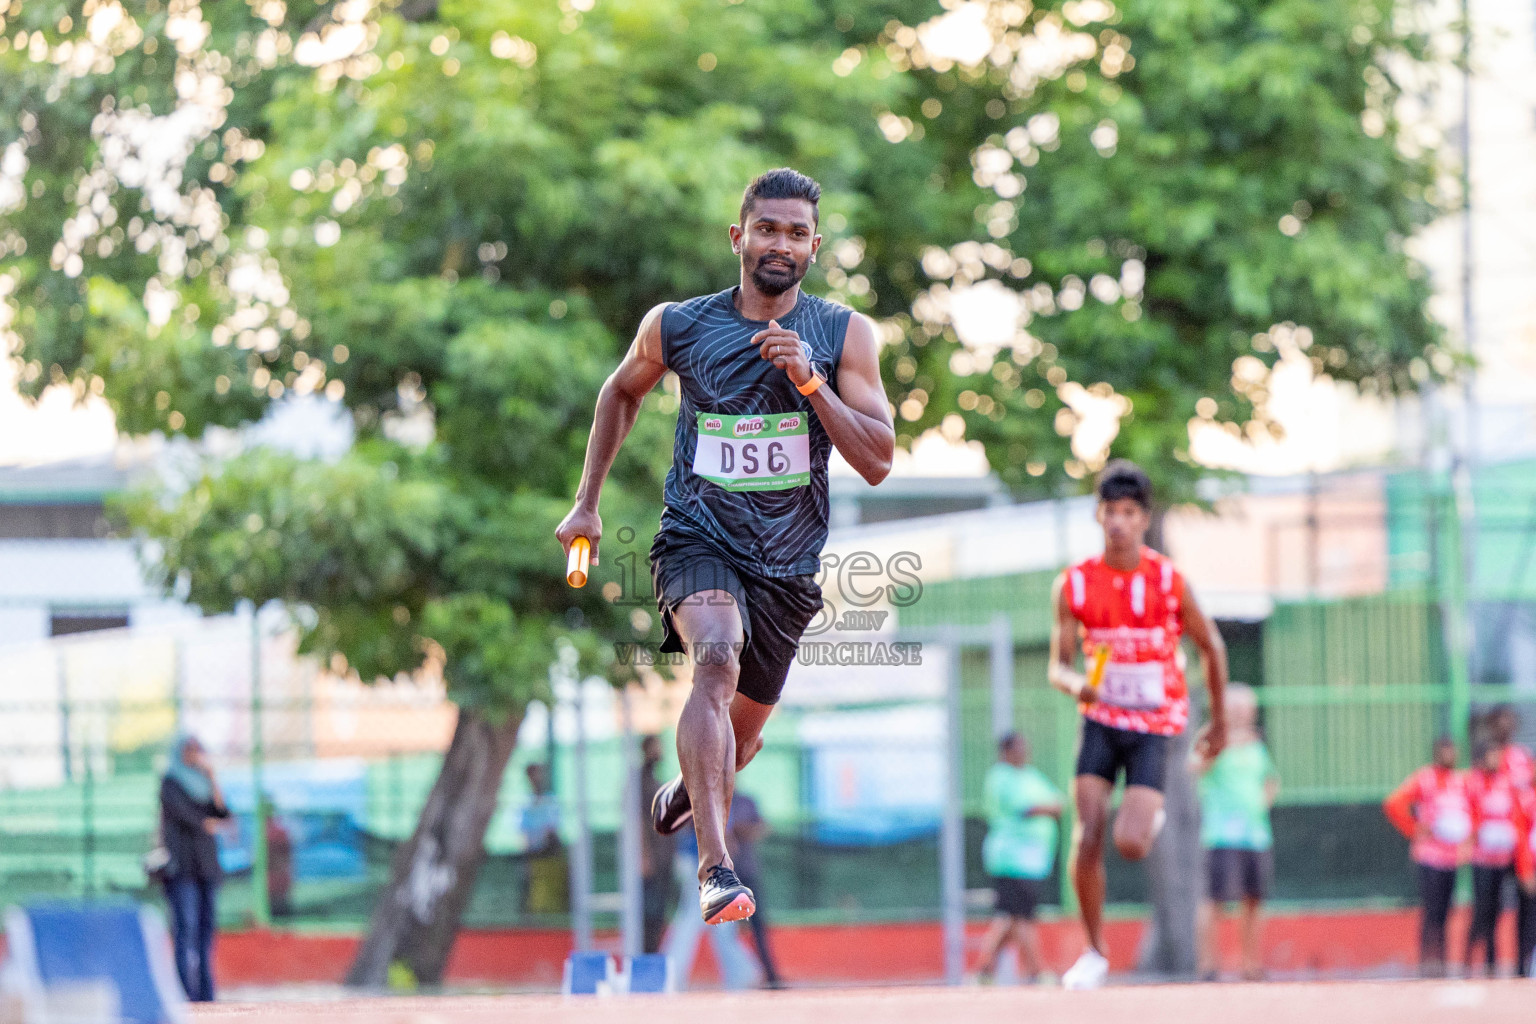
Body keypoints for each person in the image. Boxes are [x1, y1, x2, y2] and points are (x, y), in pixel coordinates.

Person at [556, 167, 894, 925]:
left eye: (798, 233)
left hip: (788, 567)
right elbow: (621, 390)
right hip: (697, 539)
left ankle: (687, 790)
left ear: (814, 248)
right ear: (738, 237)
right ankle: (716, 869)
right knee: (715, 657)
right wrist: (586, 505)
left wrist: (814, 385)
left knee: (732, 749)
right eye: (768, 228)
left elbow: (877, 460)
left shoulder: (844, 335)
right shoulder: (678, 325)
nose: (782, 243)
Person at [1047, 460, 1228, 990]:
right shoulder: (1074, 584)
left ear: (1144, 519)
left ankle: (1151, 815)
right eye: (1111, 512)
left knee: (1129, 844)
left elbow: (1212, 646)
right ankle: (1095, 952)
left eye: (1130, 513)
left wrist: (1217, 723)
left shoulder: (1169, 581)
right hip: (1101, 719)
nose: (1119, 522)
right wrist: (1076, 684)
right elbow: (1057, 664)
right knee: (1087, 835)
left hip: (1153, 723)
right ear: (1099, 516)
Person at [1193, 683, 1279, 981]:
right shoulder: (1213, 738)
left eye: (1247, 708)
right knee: (1213, 902)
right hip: (1220, 836)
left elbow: (1270, 780)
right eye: (1237, 707)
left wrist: (1261, 804)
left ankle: (1251, 966)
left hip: (1256, 836)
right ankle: (1208, 967)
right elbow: (1194, 768)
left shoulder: (1257, 745)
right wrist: (1220, 745)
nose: (1243, 714)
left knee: (1254, 901)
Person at [977, 731, 1061, 985]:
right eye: (1019, 747)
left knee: (1010, 917)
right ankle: (1036, 972)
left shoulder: (1030, 775)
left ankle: (983, 970)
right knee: (1022, 917)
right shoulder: (1000, 777)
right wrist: (1048, 807)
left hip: (1033, 860)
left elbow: (1058, 802)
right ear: (1006, 751)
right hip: (1012, 858)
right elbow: (1032, 807)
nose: (1025, 752)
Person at [1383, 736, 1471, 977]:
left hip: (1451, 858)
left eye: (1453, 751)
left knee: (1445, 914)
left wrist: (1467, 841)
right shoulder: (1425, 778)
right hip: (1429, 857)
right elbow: (1394, 802)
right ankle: (1426, 965)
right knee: (1430, 914)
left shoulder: (1460, 781)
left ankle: (1441, 965)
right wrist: (1415, 829)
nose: (1450, 756)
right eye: (1445, 752)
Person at [158, 733, 230, 1002]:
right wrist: (208, 824)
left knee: (205, 930)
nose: (195, 754)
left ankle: (205, 994)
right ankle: (183, 992)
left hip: (207, 868)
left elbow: (222, 814)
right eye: (190, 749)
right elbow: (189, 818)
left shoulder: (204, 783)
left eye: (199, 749)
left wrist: (212, 777)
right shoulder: (171, 783)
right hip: (182, 868)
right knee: (184, 929)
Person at [1464, 740, 1530, 975]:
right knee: (1483, 910)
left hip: (1502, 859)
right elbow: (1468, 813)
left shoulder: (1506, 785)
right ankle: (1468, 958)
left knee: (1499, 909)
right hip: (1481, 859)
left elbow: (1515, 817)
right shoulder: (1473, 782)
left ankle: (1492, 963)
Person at [727, 790, 783, 988]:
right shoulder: (716, 800)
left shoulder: (746, 801)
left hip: (748, 872)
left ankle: (770, 975)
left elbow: (762, 827)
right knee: (726, 930)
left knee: (758, 926)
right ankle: (743, 976)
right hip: (728, 874)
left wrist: (743, 830)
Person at [639, 735, 675, 954]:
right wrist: (644, 855)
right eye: (657, 747)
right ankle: (646, 956)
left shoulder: (654, 779)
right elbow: (638, 820)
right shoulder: (640, 780)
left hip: (663, 857)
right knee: (649, 913)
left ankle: (652, 955)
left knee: (659, 912)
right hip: (651, 859)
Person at [520, 763, 568, 914]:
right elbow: (524, 834)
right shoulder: (525, 803)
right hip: (534, 855)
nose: (536, 778)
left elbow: (553, 829)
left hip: (549, 853)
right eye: (533, 775)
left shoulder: (551, 801)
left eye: (539, 774)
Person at [262, 796, 295, 919]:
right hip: (270, 882)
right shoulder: (264, 831)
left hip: (277, 881)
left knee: (280, 916)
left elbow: (285, 857)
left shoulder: (277, 832)